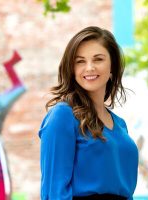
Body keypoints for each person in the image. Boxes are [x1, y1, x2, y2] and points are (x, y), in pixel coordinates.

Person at [38, 26, 139, 200]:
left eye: (98, 59)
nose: (89, 67)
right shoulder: (63, 115)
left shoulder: (120, 125)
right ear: (72, 68)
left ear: (112, 66)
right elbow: (54, 191)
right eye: (80, 61)